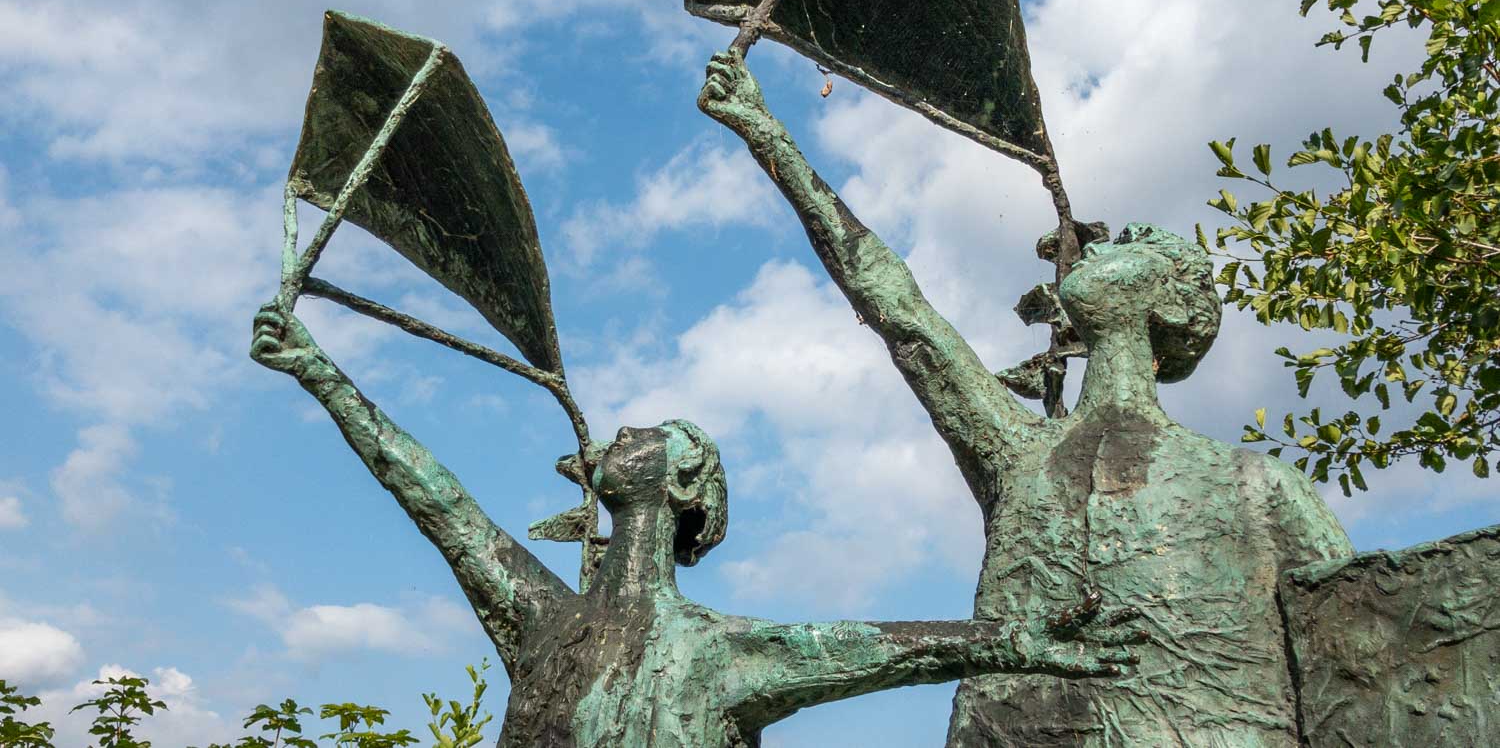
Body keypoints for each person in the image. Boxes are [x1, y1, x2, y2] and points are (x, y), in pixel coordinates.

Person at [699, 50, 1353, 747]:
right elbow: (898, 306)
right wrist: (768, 136)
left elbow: (1361, 662)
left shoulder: (1256, 488)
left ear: (1171, 301)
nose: (1098, 246)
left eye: (1134, 241)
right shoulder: (1018, 451)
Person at [251, 305, 1144, 748]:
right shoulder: (545, 618)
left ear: (682, 479)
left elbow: (892, 646)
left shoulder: (720, 653)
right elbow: (441, 505)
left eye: (644, 434)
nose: (621, 435)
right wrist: (324, 376)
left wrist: (1021, 641)